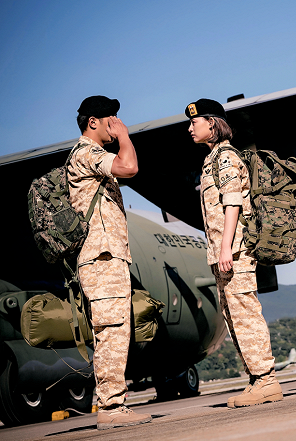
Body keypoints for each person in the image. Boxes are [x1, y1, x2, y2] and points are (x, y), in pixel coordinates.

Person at [186, 98, 283, 408]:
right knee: (233, 315)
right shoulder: (212, 159)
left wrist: (226, 246)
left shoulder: (225, 157)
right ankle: (257, 380)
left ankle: (266, 380)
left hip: (234, 250)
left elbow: (233, 205)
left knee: (244, 312)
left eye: (195, 122)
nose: (190, 128)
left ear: (212, 123)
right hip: (222, 252)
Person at [67, 95, 151, 430]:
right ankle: (111, 406)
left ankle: (113, 403)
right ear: (93, 122)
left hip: (105, 256)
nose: (114, 123)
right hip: (101, 257)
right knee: (112, 330)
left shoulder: (90, 153)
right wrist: (126, 136)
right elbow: (129, 167)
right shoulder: (88, 151)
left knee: (114, 329)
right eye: (110, 119)